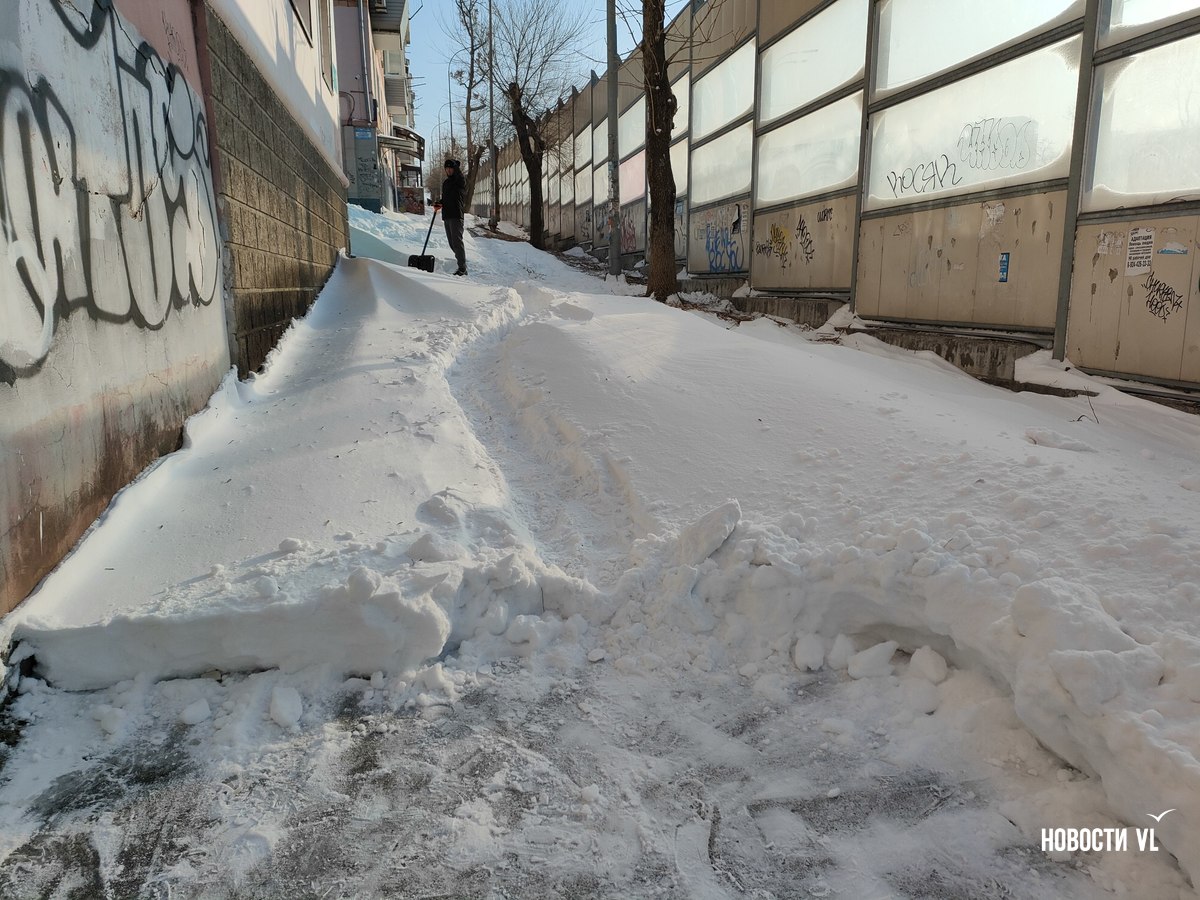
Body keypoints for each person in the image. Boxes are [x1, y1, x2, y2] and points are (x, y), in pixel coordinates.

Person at [434, 159, 467, 276]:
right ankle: (461, 263)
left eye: (450, 168)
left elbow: (459, 178)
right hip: (447, 215)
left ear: (454, 169)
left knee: (457, 242)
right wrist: (439, 203)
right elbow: (446, 198)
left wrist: (456, 167)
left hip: (456, 215)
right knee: (452, 243)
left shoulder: (459, 180)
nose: (448, 170)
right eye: (446, 168)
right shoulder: (446, 183)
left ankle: (462, 268)